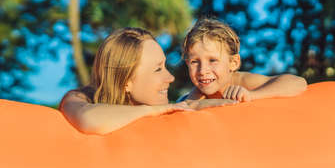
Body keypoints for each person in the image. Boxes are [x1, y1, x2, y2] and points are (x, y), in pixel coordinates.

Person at [60, 27, 235, 135]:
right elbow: (88, 119)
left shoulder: (172, 110)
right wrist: (154, 110)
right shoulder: (81, 98)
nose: (170, 78)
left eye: (165, 66)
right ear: (126, 81)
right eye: (158, 69)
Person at [179, 18, 307, 102]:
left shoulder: (242, 81)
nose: (202, 70)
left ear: (233, 63)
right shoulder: (197, 94)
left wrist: (252, 95)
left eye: (212, 60)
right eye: (194, 62)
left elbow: (298, 82)